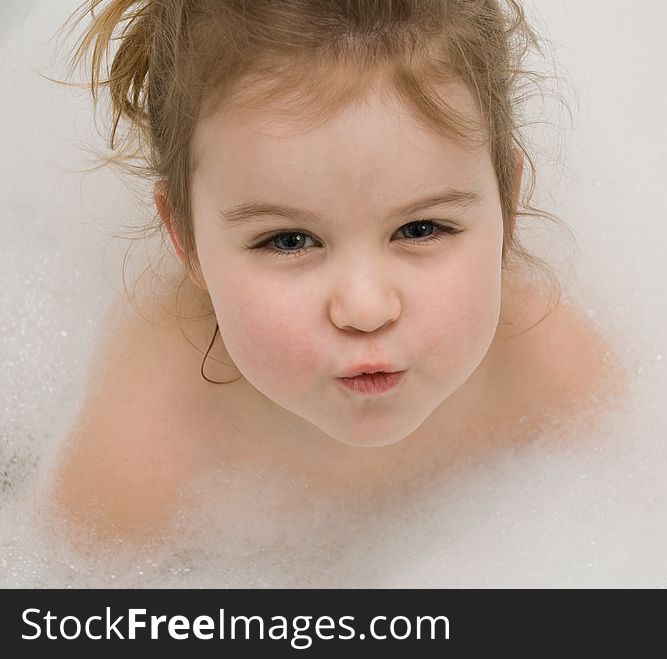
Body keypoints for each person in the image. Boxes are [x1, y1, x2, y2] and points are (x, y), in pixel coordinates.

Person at [42, 0, 623, 552]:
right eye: (289, 240)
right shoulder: (139, 465)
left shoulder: (559, 383)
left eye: (421, 229)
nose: (366, 309)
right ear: (186, 240)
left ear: (507, 207)